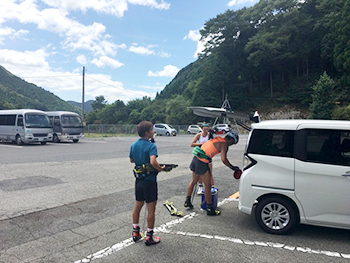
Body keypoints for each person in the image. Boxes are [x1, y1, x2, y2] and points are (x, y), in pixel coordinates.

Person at [185, 130, 240, 215]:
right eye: (233, 143)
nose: (231, 144)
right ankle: (210, 209)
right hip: (202, 162)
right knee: (208, 185)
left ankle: (187, 201)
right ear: (231, 140)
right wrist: (233, 168)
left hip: (196, 158)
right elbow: (224, 159)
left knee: (194, 181)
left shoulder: (218, 139)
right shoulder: (224, 144)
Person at [129, 121, 165, 246]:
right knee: (151, 208)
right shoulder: (151, 146)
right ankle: (149, 236)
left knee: (138, 206)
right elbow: (153, 161)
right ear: (146, 132)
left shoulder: (134, 145)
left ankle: (135, 232)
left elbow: (131, 159)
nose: (153, 131)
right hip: (149, 180)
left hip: (139, 180)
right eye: (151, 130)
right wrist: (160, 168)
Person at [190, 124, 214, 194]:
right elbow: (192, 144)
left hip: (208, 156)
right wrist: (201, 144)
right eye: (204, 129)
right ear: (202, 129)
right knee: (200, 173)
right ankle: (200, 186)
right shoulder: (199, 135)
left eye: (207, 129)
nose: (206, 131)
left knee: (209, 171)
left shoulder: (210, 135)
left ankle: (211, 187)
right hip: (200, 155)